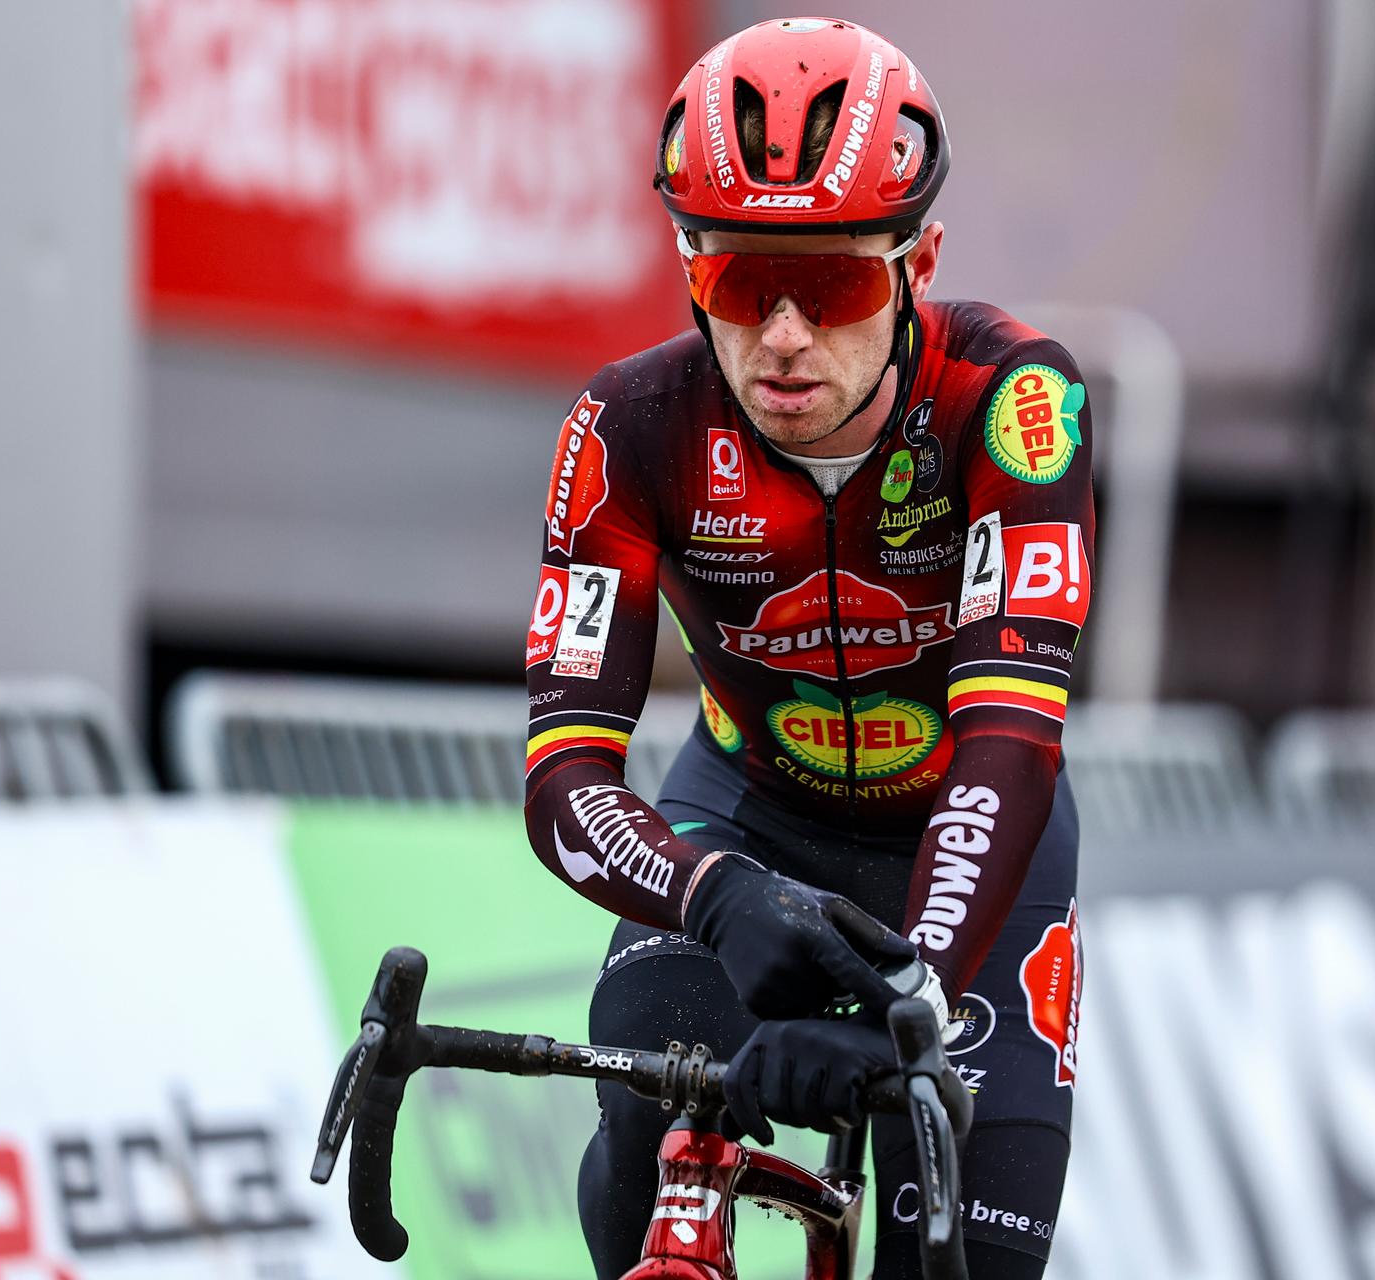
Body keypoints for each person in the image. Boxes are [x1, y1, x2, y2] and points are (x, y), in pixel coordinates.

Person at [522, 17, 1092, 1278]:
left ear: (917, 263)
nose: (781, 336)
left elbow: (1010, 736)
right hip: (747, 822)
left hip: (974, 846)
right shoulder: (630, 426)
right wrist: (711, 894)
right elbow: (563, 775)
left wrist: (920, 993)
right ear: (688, 268)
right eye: (737, 284)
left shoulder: (1012, 403)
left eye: (828, 288)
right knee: (644, 1101)